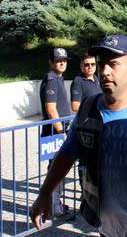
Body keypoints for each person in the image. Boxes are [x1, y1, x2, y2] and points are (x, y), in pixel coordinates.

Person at [31, 34, 127, 237]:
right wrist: (44, 194)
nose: (104, 72)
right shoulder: (88, 109)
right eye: (101, 65)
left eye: (113, 64)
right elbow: (67, 154)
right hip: (105, 228)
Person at [39, 47, 72, 216]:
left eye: (64, 60)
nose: (62, 62)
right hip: (54, 134)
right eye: (58, 60)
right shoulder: (52, 79)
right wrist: (62, 132)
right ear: (50, 62)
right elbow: (51, 109)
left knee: (56, 169)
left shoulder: (57, 78)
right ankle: (54, 208)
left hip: (56, 133)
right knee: (55, 170)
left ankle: (54, 205)